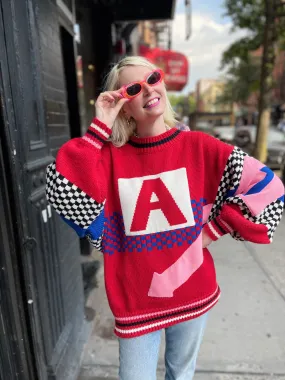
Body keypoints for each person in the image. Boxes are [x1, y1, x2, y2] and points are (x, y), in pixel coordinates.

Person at [46, 56, 284, 380]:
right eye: (133, 88)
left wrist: (212, 230)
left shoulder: (198, 146)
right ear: (123, 106)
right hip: (135, 302)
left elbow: (267, 186)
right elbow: (63, 189)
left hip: (193, 292)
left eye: (153, 78)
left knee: (180, 375)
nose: (147, 90)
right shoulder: (110, 159)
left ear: (163, 84)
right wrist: (100, 125)